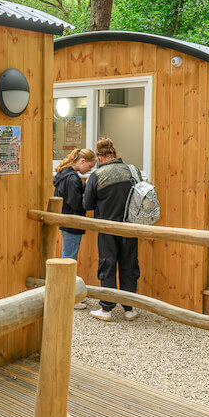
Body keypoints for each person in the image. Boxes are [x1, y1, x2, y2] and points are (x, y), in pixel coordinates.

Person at [82, 137, 140, 322]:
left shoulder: (97, 176)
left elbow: (88, 204)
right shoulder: (133, 170)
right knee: (129, 265)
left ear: (100, 157)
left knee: (107, 264)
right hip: (130, 227)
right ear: (115, 154)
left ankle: (106, 309)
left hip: (106, 226)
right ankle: (129, 309)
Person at [52, 148, 97, 308]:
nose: (89, 170)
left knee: (68, 257)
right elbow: (76, 203)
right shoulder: (72, 179)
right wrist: (87, 196)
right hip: (72, 223)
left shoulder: (65, 175)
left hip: (67, 222)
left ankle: (69, 294)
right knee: (69, 260)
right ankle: (68, 297)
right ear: (82, 161)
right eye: (89, 166)